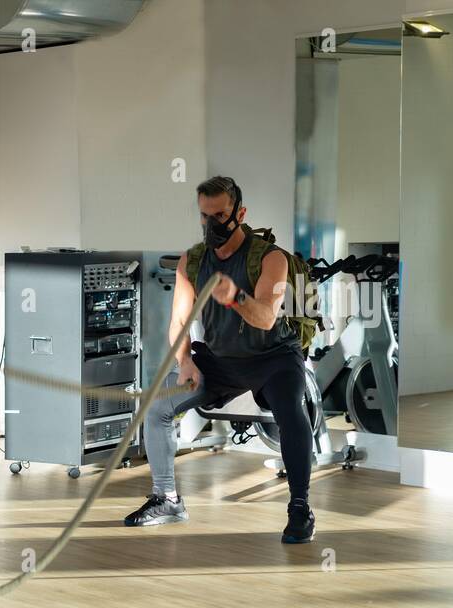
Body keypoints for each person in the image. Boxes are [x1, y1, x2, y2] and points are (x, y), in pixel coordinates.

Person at [124, 176, 316, 543]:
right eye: (205, 216)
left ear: (240, 214)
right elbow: (179, 322)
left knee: (292, 411)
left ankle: (300, 506)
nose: (213, 224)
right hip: (220, 359)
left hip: (273, 357)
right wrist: (185, 361)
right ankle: (167, 500)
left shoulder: (271, 258)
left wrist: (235, 297)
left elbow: (266, 317)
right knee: (157, 404)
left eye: (221, 215)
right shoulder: (192, 261)